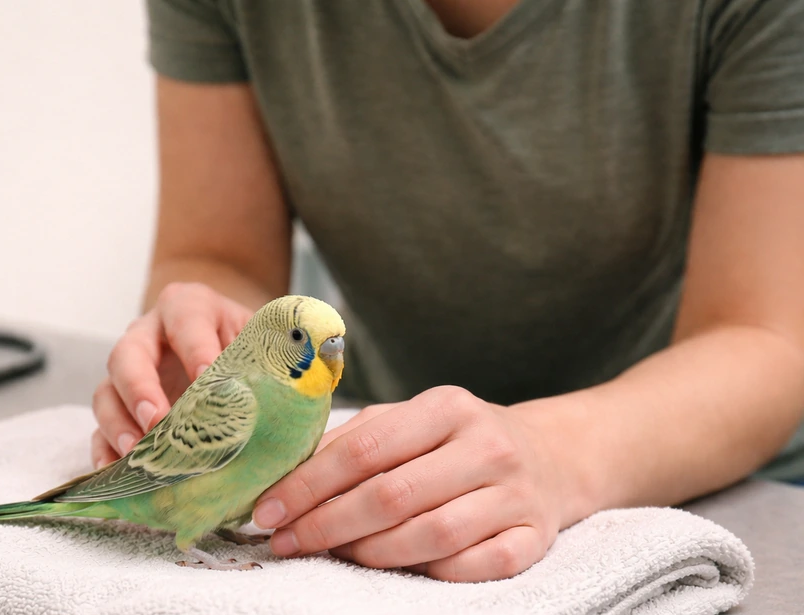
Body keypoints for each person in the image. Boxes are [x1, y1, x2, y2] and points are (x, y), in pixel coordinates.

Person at [91, 0, 804, 582]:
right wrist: (209, 352)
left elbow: (767, 338)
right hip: (386, 485)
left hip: (733, 501)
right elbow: (218, 253)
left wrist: (555, 454)